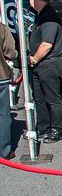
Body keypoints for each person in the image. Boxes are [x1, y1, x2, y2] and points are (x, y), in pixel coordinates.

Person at [27, 0, 62, 143]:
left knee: (52, 98)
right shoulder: (41, 16)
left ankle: (57, 130)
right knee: (39, 98)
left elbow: (46, 44)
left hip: (49, 63)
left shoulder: (50, 18)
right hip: (41, 64)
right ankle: (43, 128)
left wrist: (34, 59)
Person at [0, 23, 17, 159]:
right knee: (3, 115)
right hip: (1, 76)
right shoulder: (1, 28)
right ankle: (4, 151)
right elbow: (10, 51)